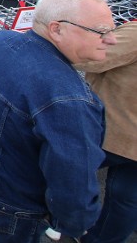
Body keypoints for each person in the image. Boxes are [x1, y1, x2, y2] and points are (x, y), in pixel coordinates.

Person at [0, 0, 115, 242]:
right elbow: (73, 180)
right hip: (13, 207)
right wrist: (72, 226)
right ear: (57, 28)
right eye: (102, 32)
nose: (112, 39)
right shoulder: (68, 98)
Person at [70, 21, 137, 243]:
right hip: (128, 140)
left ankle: (59, 222)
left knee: (60, 171)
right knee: (126, 199)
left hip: (116, 131)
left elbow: (93, 57)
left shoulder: (134, 34)